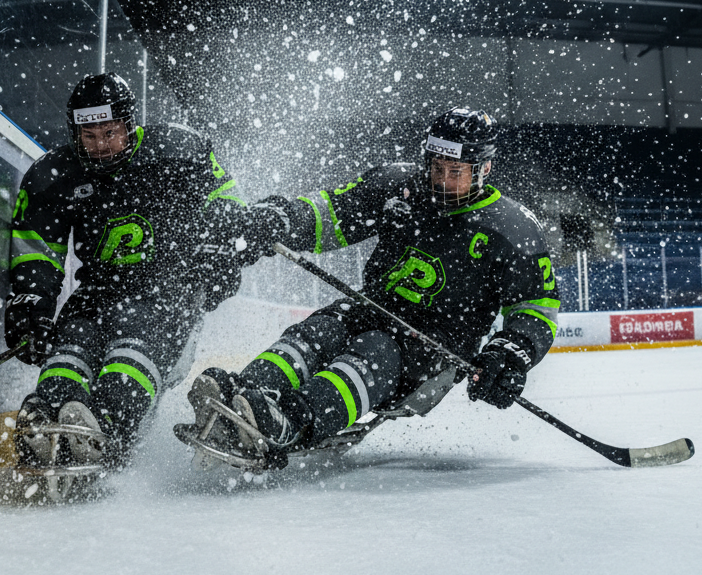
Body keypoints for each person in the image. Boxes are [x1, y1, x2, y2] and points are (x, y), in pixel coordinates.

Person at [179, 107, 561, 468]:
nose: (442, 181)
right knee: (318, 330)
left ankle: (290, 421)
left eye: (455, 171)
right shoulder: (398, 186)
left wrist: (508, 356)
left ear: (484, 168)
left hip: (437, 343)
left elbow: (536, 309)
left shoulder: (513, 229)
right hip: (372, 306)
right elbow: (330, 214)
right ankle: (241, 395)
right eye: (436, 167)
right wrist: (281, 219)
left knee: (373, 349)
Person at [5, 72, 288, 490]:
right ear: (74, 132)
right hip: (97, 293)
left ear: (129, 124)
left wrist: (219, 255)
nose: (100, 145)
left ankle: (107, 431)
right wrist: (30, 305)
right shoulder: (53, 175)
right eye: (90, 135)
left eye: (110, 132)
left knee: (131, 347)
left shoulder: (177, 150)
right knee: (71, 344)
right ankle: (49, 419)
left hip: (168, 294)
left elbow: (226, 208)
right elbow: (36, 251)